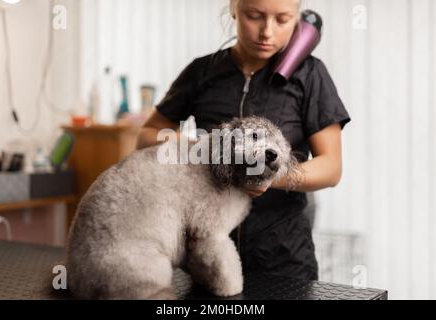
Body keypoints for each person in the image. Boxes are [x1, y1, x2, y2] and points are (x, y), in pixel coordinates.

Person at [136, 0, 351, 281]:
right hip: (205, 253)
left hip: (283, 257)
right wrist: (201, 149)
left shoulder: (310, 75)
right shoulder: (203, 71)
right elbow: (147, 135)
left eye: (282, 20)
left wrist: (270, 176)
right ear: (234, 9)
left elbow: (331, 167)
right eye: (254, 16)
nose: (267, 32)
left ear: (298, 19)